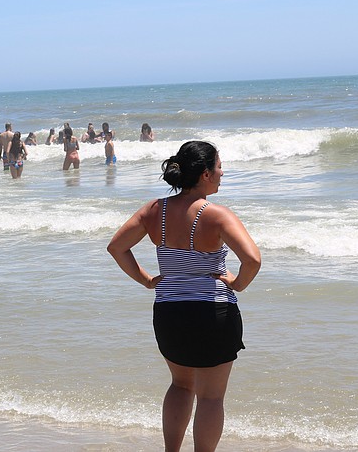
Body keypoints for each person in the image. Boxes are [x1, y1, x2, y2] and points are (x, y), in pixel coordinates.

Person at [107, 141, 261, 452]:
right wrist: (239, 284)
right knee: (211, 396)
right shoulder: (216, 215)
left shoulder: (155, 211)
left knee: (180, 384)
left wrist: (148, 280)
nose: (222, 172)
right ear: (205, 174)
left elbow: (117, 247)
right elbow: (253, 260)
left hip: (170, 312)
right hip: (212, 312)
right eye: (219, 167)